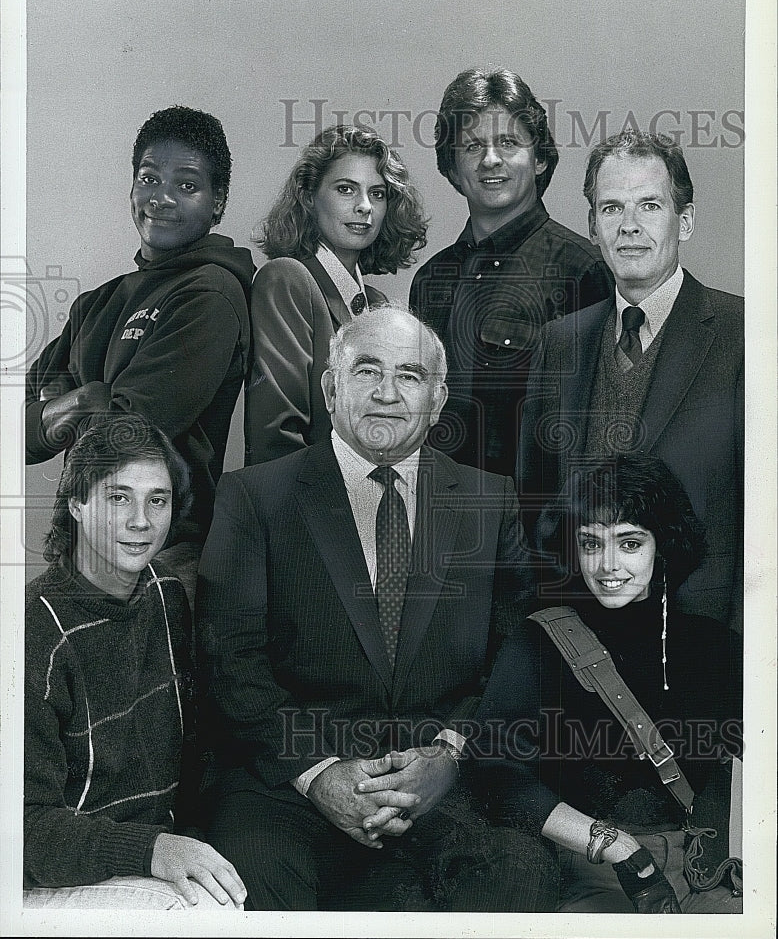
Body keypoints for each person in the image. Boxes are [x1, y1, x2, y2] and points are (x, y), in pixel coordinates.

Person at [196, 304, 559, 911]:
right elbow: (230, 663)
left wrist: (450, 753)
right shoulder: (254, 497)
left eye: (410, 376)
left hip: (442, 784)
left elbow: (514, 655)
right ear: (332, 388)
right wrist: (320, 774)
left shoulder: (487, 500)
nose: (388, 394)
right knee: (256, 886)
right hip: (291, 785)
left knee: (517, 880)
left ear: (437, 400)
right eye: (368, 371)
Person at [473, 454, 743, 913]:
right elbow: (493, 772)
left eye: (630, 543)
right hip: (597, 870)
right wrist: (612, 843)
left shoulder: (716, 646)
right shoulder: (539, 642)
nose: (608, 565)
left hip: (715, 868)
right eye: (591, 544)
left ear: (664, 547)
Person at [25, 105, 254, 599]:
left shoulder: (210, 294)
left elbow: (124, 437)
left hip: (162, 558)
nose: (162, 198)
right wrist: (91, 397)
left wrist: (63, 408)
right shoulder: (96, 304)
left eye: (187, 185)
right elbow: (14, 434)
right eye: (149, 178)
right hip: (81, 547)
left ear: (219, 203)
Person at [519, 130, 744, 632]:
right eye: (612, 209)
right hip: (583, 646)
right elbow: (536, 504)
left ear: (684, 221)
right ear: (593, 228)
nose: (630, 227)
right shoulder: (561, 343)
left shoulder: (744, 335)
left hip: (704, 637)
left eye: (649, 206)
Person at [24, 415, 246, 910]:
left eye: (158, 500)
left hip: (150, 849)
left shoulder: (166, 595)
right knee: (202, 913)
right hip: (51, 872)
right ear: (77, 503)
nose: (141, 521)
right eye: (118, 497)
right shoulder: (32, 631)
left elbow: (195, 752)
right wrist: (154, 850)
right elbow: (23, 828)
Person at [409, 67, 612, 479]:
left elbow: (596, 428)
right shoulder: (431, 279)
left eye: (508, 142)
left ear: (539, 159)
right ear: (451, 168)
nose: (490, 160)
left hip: (537, 525)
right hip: (435, 516)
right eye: (471, 147)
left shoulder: (580, 270)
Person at [244, 124, 427, 465]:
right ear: (309, 196)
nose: (364, 207)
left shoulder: (377, 305)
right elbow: (277, 436)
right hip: (306, 505)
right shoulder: (288, 279)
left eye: (378, 193)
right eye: (346, 189)